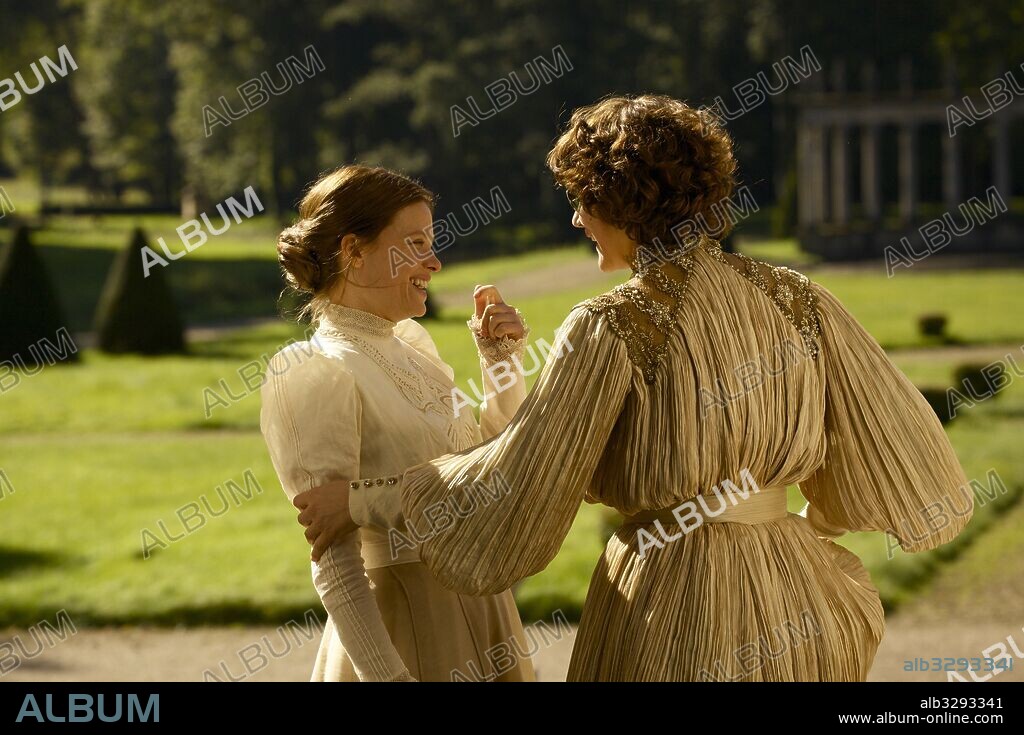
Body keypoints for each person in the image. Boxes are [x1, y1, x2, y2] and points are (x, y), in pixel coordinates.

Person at [297, 96, 973, 681]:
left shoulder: (613, 325)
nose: (575, 220)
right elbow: (908, 458)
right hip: (800, 596)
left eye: (581, 201)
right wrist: (803, 528)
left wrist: (364, 500)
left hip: (668, 602)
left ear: (620, 202)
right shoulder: (801, 300)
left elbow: (521, 479)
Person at [260, 164, 536, 682]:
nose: (433, 262)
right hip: (402, 633)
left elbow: (492, 477)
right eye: (413, 243)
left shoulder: (413, 346)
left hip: (488, 611)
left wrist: (501, 364)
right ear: (354, 252)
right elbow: (335, 567)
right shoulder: (313, 372)